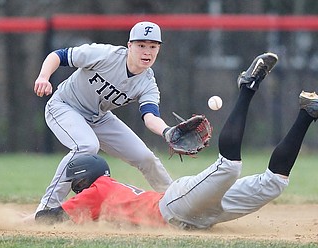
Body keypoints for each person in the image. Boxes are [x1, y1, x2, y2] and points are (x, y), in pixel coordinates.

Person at [35, 52, 318, 230]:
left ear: (83, 180)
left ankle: (247, 88)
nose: (77, 191)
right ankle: (307, 114)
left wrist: (22, 221)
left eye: (76, 185)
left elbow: (47, 220)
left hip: (173, 207)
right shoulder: (107, 190)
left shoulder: (96, 191)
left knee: (229, 167)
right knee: (274, 184)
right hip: (202, 216)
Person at [33, 21, 173, 212]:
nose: (147, 51)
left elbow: (150, 117)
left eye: (153, 46)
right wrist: (43, 76)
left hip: (98, 118)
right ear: (129, 46)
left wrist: (167, 132)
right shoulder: (105, 54)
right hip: (64, 106)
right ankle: (46, 207)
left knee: (145, 157)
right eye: (141, 45)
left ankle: (177, 203)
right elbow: (58, 55)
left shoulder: (147, 83)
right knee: (87, 146)